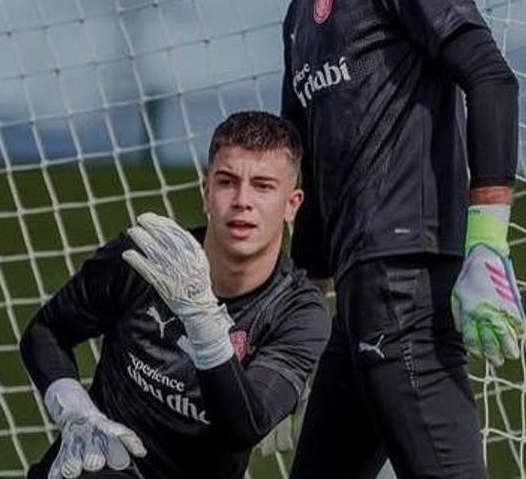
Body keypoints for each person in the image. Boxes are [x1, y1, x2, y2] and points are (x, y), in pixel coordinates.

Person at [203, 0, 525, 479]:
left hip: (406, 283)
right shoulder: (300, 20)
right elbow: (312, 191)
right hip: (359, 303)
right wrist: (278, 319)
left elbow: (489, 76)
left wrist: (488, 238)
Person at [19, 111, 330, 479]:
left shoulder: (299, 313)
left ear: (292, 204)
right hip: (99, 466)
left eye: (263, 186)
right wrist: (74, 410)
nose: (242, 200)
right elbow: (46, 331)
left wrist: (201, 316)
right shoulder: (146, 256)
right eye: (227, 182)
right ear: (206, 191)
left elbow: (242, 428)